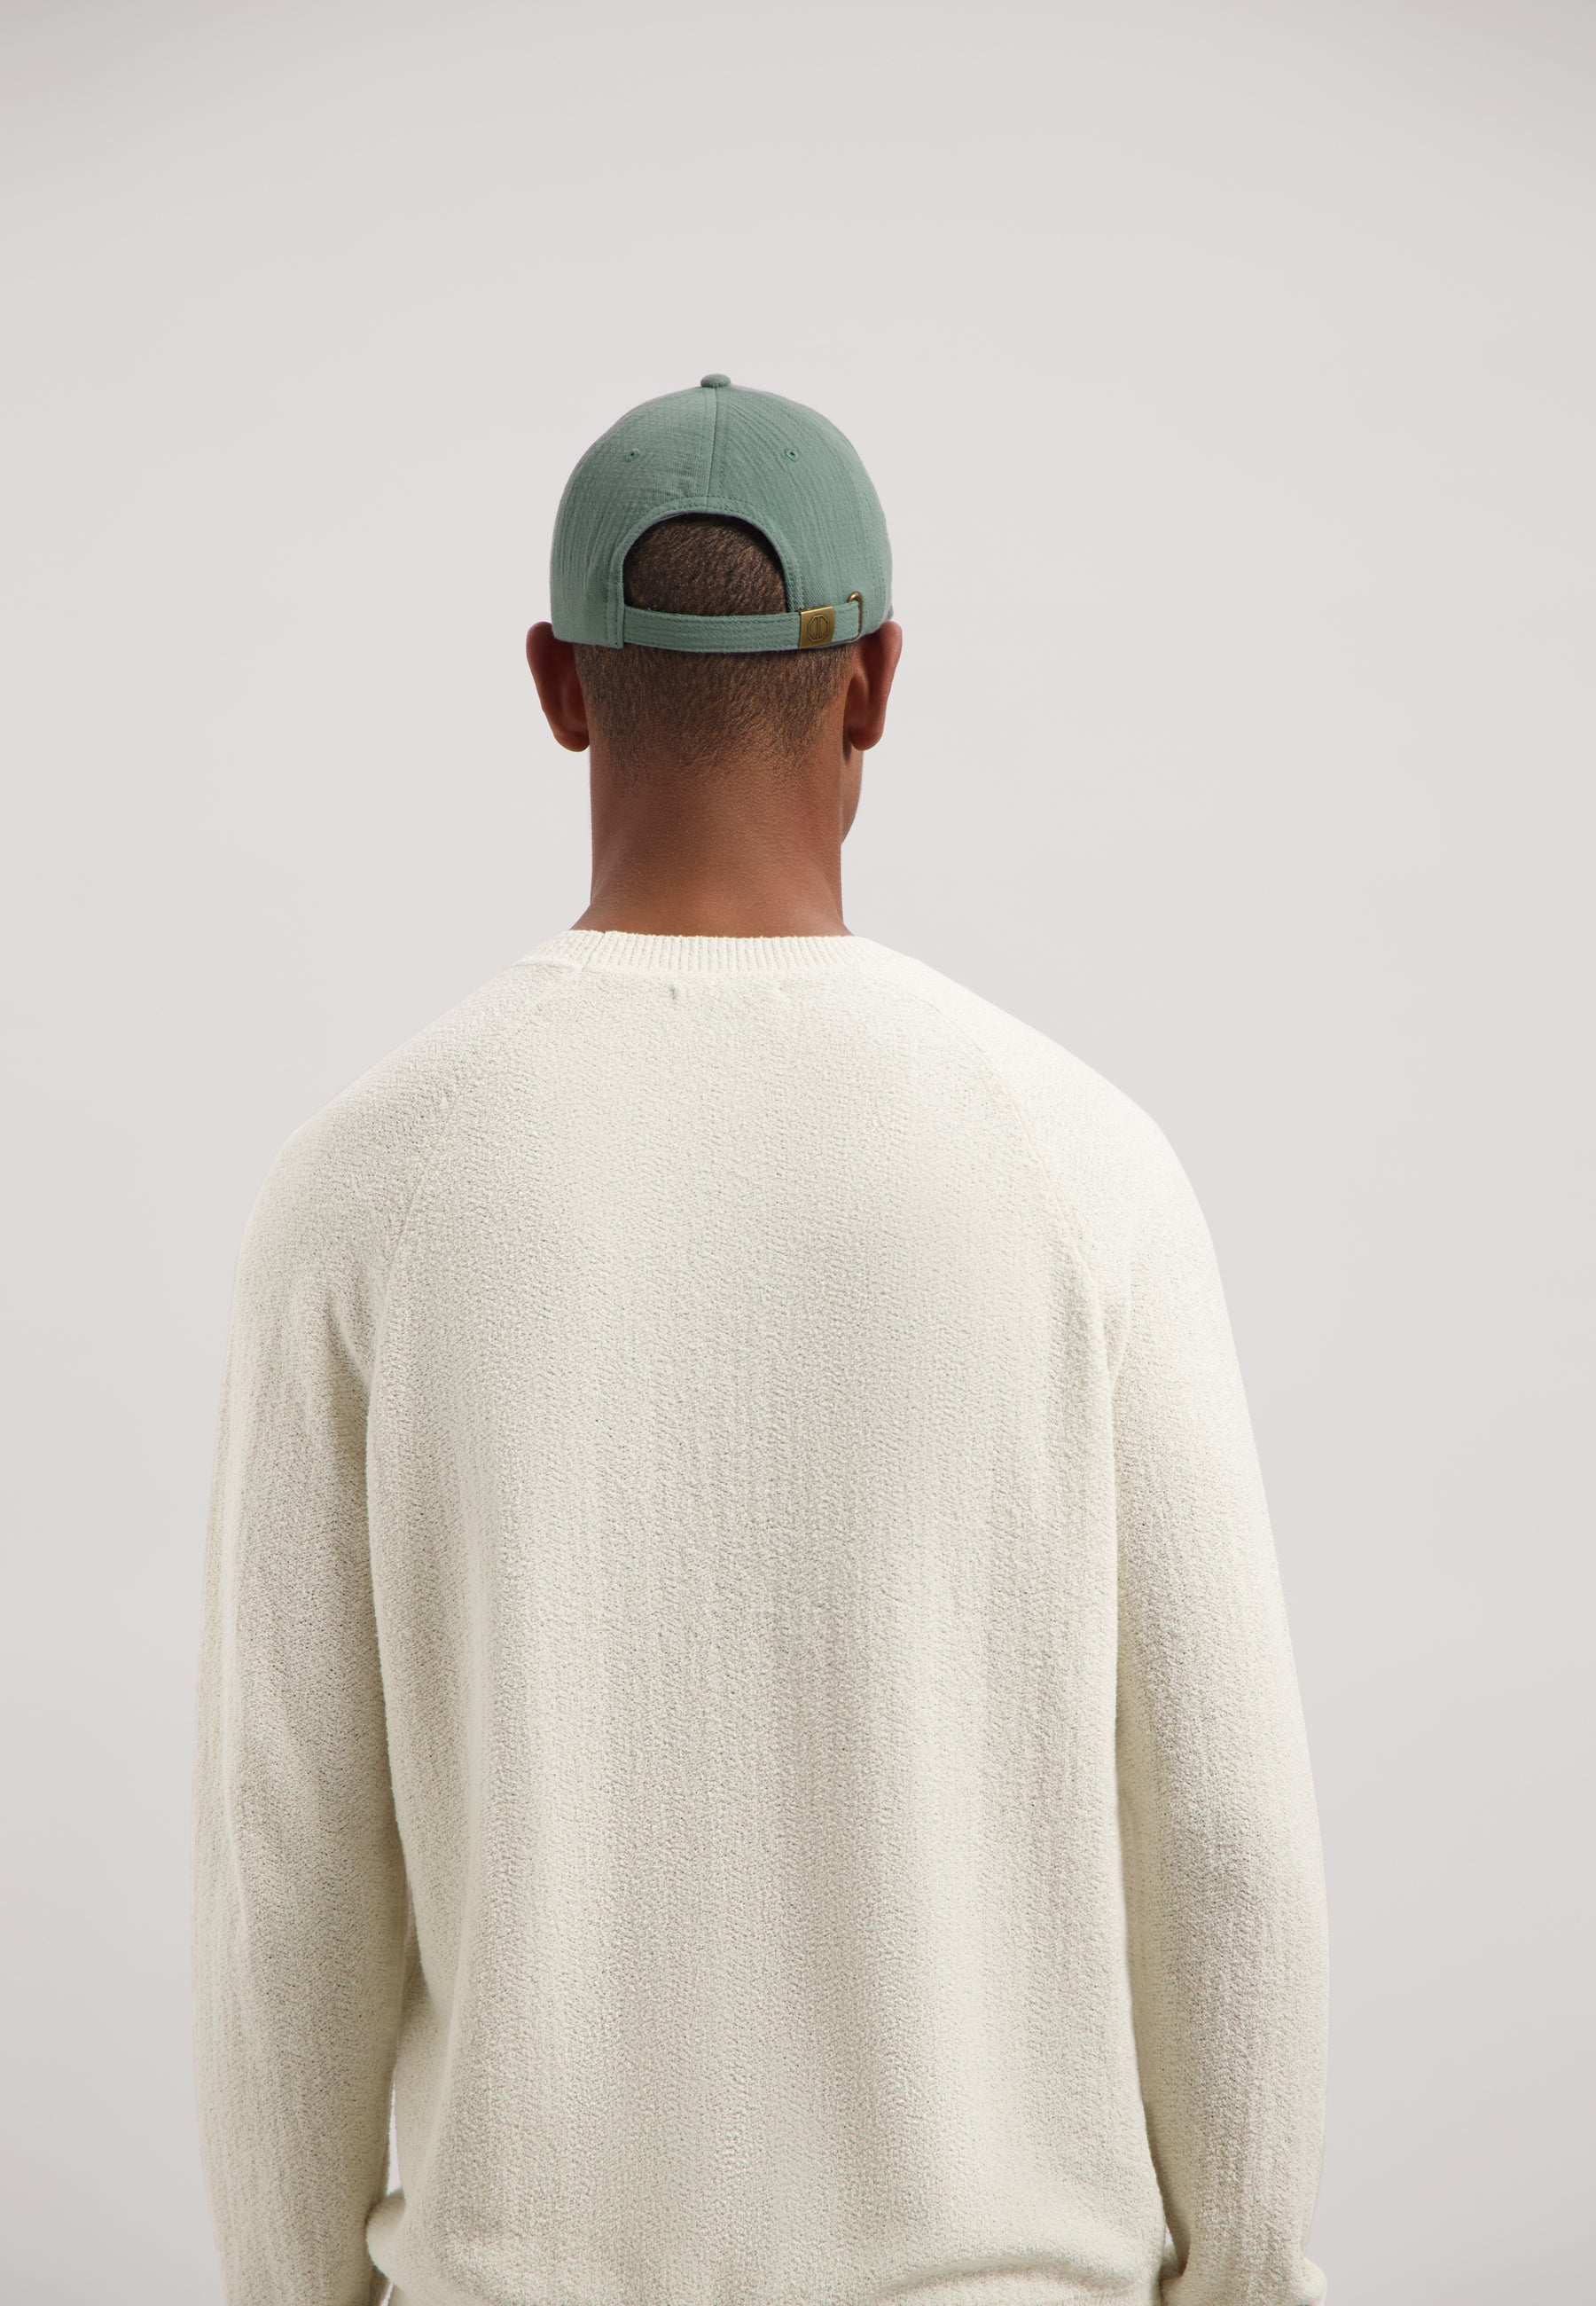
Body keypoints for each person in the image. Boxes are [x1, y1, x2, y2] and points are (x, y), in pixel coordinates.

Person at [192, 375, 1330, 2306]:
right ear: (873, 682)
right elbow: (1225, 1835)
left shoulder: (361, 1191)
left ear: (558, 683)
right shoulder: (1087, 1176)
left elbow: (287, 1868)